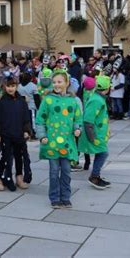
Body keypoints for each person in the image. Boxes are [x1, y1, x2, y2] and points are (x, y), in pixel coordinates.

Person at [36, 69, 82, 209]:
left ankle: (66, 197)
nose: (56, 84)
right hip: (52, 143)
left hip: (67, 144)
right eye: (54, 82)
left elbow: (77, 117)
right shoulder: (47, 100)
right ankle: (55, 197)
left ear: (67, 83)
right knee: (54, 172)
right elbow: (40, 119)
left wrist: (77, 128)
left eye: (59, 82)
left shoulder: (73, 101)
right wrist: (42, 135)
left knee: (67, 171)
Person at [0, 76, 32, 191]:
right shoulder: (0, 101)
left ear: (16, 87)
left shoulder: (21, 101)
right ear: (4, 87)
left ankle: (19, 177)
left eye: (13, 86)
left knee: (19, 156)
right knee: (5, 157)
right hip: (5, 134)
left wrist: (26, 130)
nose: (11, 89)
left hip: (19, 133)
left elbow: (26, 117)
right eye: (8, 86)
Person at [79, 75, 112, 189]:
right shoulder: (96, 100)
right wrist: (91, 137)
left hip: (99, 133)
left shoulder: (98, 98)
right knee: (103, 153)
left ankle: (96, 175)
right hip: (95, 134)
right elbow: (88, 120)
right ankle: (94, 177)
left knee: (101, 153)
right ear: (107, 88)